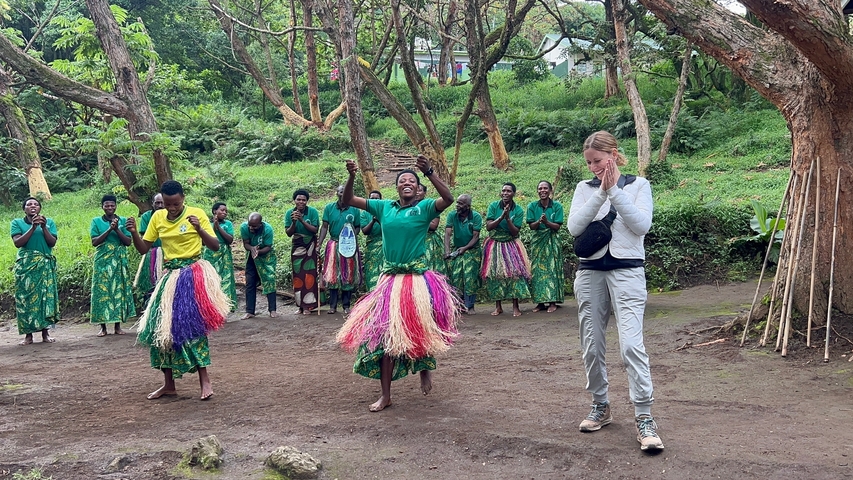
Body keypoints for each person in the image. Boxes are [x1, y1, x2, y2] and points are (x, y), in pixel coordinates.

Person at [336, 156, 460, 412]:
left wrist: (430, 173)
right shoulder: (384, 208)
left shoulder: (425, 208)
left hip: (415, 280)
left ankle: (425, 366)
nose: (407, 183)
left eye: (411, 181)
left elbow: (448, 199)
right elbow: (348, 200)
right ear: (396, 187)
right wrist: (351, 177)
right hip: (389, 280)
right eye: (402, 181)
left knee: (421, 329)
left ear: (416, 188)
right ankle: (386, 395)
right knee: (385, 338)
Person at [567, 130, 662, 451]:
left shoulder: (639, 185)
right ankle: (600, 404)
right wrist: (600, 193)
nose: (593, 167)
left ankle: (645, 416)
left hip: (628, 271)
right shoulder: (583, 188)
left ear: (613, 154)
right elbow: (574, 227)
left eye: (597, 160)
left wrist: (614, 192)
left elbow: (641, 225)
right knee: (591, 344)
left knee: (632, 345)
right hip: (590, 271)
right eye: (589, 162)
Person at [127, 180, 230, 401]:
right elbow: (144, 248)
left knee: (192, 327)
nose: (171, 208)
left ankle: (205, 380)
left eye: (175, 203)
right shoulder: (157, 218)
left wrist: (199, 229)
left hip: (192, 274)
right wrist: (135, 233)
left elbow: (214, 245)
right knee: (161, 330)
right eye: (167, 204)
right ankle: (168, 384)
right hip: (170, 277)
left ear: (183, 198)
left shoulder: (196, 214)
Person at [11, 197, 59, 345]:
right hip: (26, 267)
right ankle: (28, 336)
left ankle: (45, 334)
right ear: (24, 209)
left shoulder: (49, 222)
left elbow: (52, 242)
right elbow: (18, 243)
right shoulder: (17, 223)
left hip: (44, 265)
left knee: (45, 299)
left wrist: (43, 227)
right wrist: (32, 227)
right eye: (29, 204)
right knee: (25, 300)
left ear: (40, 208)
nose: (33, 206)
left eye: (36, 204)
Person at [481, 182, 531, 317]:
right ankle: (498, 307)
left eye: (508, 191)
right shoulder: (493, 206)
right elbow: (489, 227)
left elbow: (515, 232)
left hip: (511, 244)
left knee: (515, 274)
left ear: (514, 193)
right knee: (496, 275)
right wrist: (501, 217)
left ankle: (516, 306)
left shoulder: (518, 210)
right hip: (495, 244)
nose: (505, 193)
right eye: (503, 190)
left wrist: (508, 218)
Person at [89, 194, 135, 336]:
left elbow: (127, 242)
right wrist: (109, 229)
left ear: (116, 206)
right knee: (101, 291)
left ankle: (117, 326)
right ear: (102, 207)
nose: (109, 207)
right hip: (103, 260)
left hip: (119, 260)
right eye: (106, 205)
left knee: (118, 291)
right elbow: (95, 242)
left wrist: (116, 229)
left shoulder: (123, 221)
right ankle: (102, 327)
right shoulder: (96, 221)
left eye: (112, 205)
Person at [318, 185, 362, 314]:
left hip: (348, 245)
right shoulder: (329, 208)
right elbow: (325, 227)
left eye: (345, 192)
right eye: (340, 191)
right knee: (332, 275)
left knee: (347, 275)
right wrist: (319, 244)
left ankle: (346, 305)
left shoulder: (354, 209)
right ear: (336, 193)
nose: (343, 194)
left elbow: (358, 227)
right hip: (334, 244)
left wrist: (352, 234)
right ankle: (332, 306)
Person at [526, 181, 565, 313]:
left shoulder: (557, 206)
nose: (542, 190)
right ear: (537, 191)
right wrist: (539, 222)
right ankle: (540, 302)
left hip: (552, 241)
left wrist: (547, 222)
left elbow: (558, 227)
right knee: (537, 271)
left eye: (545, 188)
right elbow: (532, 226)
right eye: (540, 188)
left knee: (552, 269)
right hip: (538, 242)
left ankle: (553, 301)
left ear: (550, 190)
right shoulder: (532, 206)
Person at [444, 194, 482, 314]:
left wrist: (465, 248)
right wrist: (447, 251)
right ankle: (459, 305)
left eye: (461, 204)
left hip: (472, 251)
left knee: (470, 277)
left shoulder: (475, 217)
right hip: (458, 250)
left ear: (468, 206)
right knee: (456, 277)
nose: (457, 205)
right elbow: (448, 233)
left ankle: (470, 306)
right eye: (457, 203)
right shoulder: (452, 215)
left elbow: (476, 237)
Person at [284, 189, 320, 314]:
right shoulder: (290, 213)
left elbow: (314, 230)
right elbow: (289, 233)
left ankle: (309, 306)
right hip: (297, 246)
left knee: (310, 273)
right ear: (294, 200)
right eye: (298, 199)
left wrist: (302, 221)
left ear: (307, 201)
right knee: (298, 274)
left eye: (303, 200)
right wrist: (294, 222)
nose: (301, 202)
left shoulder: (313, 212)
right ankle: (300, 305)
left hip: (310, 245)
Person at [240, 212, 278, 319]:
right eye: (250, 225)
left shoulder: (268, 229)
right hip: (251, 257)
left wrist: (258, 252)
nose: (251, 228)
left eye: (254, 226)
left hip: (266, 256)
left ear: (260, 224)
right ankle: (250, 311)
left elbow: (268, 246)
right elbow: (246, 243)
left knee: (269, 280)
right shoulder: (244, 227)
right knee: (250, 282)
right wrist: (252, 249)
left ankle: (272, 310)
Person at [202, 202, 237, 311]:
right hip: (210, 253)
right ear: (214, 211)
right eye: (222, 210)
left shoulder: (228, 224)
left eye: (226, 211)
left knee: (226, 278)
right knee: (211, 278)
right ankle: (211, 305)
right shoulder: (207, 224)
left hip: (224, 253)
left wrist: (219, 228)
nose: (225, 212)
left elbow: (230, 240)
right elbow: (204, 241)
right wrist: (213, 227)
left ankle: (226, 304)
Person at [133, 193, 165, 304]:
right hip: (152, 252)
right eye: (157, 203)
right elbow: (145, 237)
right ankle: (149, 306)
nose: (160, 205)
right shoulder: (146, 217)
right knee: (150, 282)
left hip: (169, 254)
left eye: (162, 202)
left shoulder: (171, 216)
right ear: (152, 204)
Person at [418, 184, 447, 276]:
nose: (417, 193)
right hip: (415, 239)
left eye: (420, 190)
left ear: (425, 193)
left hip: (429, 239)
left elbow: (434, 225)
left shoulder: (429, 205)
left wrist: (417, 220)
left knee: (430, 265)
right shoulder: (408, 205)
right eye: (416, 190)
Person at [360, 190, 385, 291]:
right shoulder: (364, 213)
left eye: (376, 198)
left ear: (380, 200)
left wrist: (380, 220)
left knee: (384, 271)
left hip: (385, 244)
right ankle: (372, 294)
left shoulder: (385, 211)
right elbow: (365, 231)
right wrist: (373, 221)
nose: (374, 200)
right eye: (372, 198)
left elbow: (390, 228)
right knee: (371, 269)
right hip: (372, 245)